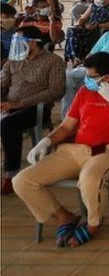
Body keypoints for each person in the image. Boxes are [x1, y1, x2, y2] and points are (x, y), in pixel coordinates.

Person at [13, 52, 109, 248]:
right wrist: (45, 142)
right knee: (22, 180)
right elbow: (67, 127)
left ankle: (93, 224)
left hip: (105, 153)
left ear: (106, 78)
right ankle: (63, 217)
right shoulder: (84, 92)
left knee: (89, 180)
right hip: (73, 151)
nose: (86, 80)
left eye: (90, 76)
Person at [1, 26, 65, 194]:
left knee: (8, 124)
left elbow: (56, 90)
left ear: (32, 43)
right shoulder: (14, 60)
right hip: (9, 105)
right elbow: (3, 82)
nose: (15, 45)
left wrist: (21, 103)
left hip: (36, 108)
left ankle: (10, 175)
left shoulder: (53, 61)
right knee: (7, 120)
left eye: (18, 41)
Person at [64, 0, 109, 64]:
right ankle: (76, 57)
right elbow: (83, 18)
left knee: (78, 35)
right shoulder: (93, 6)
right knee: (72, 30)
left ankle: (80, 59)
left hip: (103, 31)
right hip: (90, 29)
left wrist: (97, 26)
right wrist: (79, 23)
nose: (95, 0)